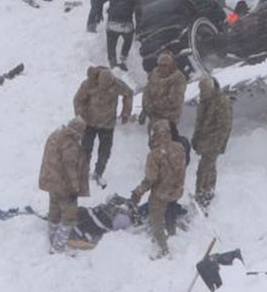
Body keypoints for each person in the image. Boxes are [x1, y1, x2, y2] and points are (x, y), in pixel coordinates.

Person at [129, 119, 188, 258]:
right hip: (177, 190)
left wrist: (138, 192)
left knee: (156, 220)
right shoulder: (179, 147)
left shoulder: (154, 155)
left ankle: (163, 248)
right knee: (171, 210)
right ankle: (172, 231)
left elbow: (150, 179)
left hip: (161, 193)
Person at [70, 64, 134, 189]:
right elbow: (78, 100)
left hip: (107, 124)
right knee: (85, 149)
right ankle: (82, 172)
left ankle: (99, 173)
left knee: (105, 151)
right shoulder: (88, 84)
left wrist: (126, 112)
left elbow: (129, 93)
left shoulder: (116, 84)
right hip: (89, 123)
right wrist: (80, 116)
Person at [39, 118, 94, 249]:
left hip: (51, 181)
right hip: (64, 185)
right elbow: (70, 166)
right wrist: (75, 186)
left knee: (54, 212)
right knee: (69, 216)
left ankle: (52, 239)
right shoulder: (70, 143)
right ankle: (59, 245)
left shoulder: (56, 135)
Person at [191, 76, 233, 206]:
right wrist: (196, 138)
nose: (202, 92)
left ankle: (203, 195)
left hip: (213, 142)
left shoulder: (222, 102)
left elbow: (225, 126)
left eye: (204, 90)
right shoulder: (204, 101)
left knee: (204, 169)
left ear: (212, 88)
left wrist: (218, 144)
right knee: (207, 169)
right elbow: (199, 122)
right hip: (204, 142)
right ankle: (205, 194)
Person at [103, 0, 142, 69]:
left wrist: (97, 13)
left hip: (112, 23)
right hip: (126, 25)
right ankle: (123, 59)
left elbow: (100, 1)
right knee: (128, 40)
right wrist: (138, 27)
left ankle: (112, 62)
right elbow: (138, 12)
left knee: (111, 44)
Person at [141, 50, 188, 129]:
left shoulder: (178, 78)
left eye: (165, 65)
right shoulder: (155, 73)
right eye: (160, 65)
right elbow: (147, 90)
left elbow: (174, 99)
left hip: (169, 117)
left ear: (171, 65)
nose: (162, 68)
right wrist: (145, 108)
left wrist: (153, 105)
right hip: (153, 116)